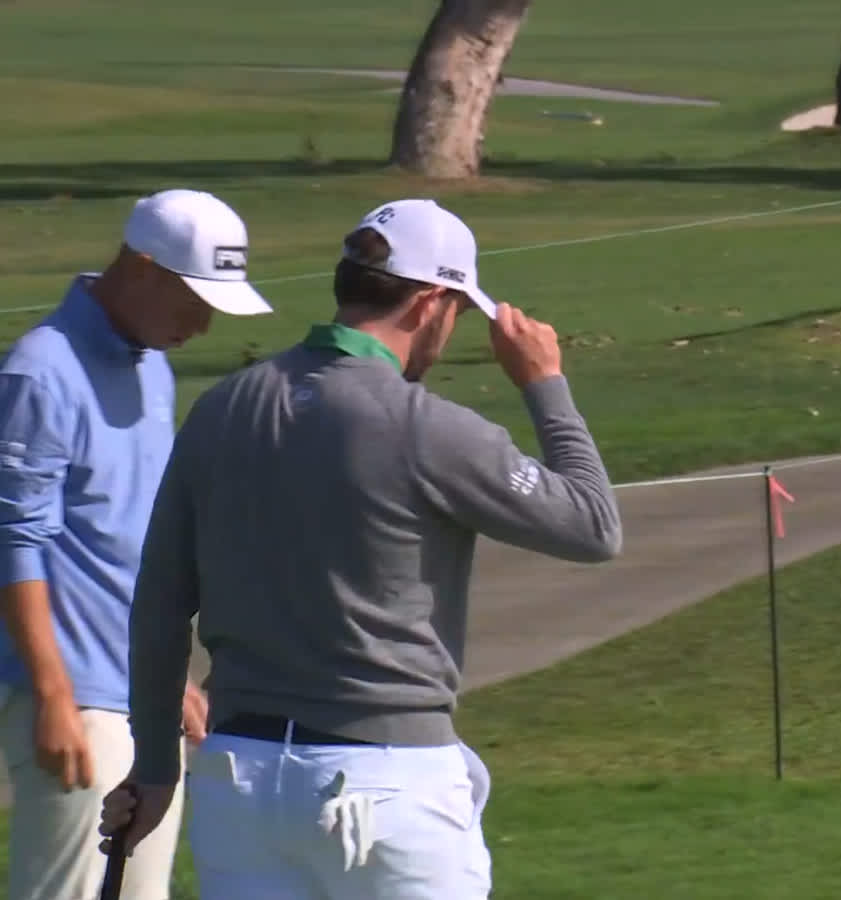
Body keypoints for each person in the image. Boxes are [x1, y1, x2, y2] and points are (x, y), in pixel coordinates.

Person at [99, 198, 623, 899]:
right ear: (430, 302)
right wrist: (544, 386)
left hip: (239, 786)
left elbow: (161, 604)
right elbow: (593, 525)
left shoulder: (222, 408)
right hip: (385, 787)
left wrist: (157, 769)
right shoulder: (427, 426)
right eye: (457, 312)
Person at [0, 187, 275, 900]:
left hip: (136, 696)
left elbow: (131, 540)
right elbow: (15, 541)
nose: (206, 322)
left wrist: (163, 675)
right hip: (74, 696)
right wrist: (54, 696)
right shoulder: (41, 371)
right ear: (145, 268)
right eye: (196, 298)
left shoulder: (151, 364)